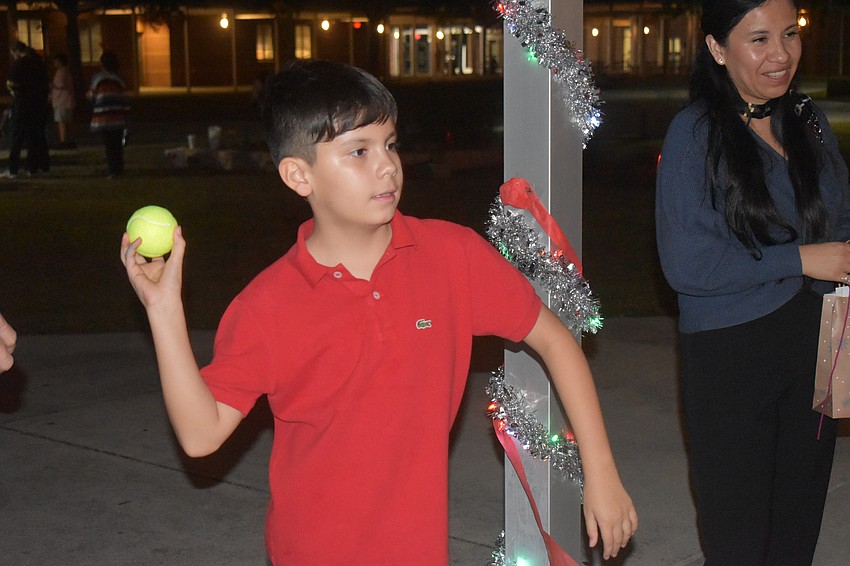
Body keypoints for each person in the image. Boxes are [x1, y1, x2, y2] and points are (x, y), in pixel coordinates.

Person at [121, 59, 637, 565]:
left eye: (390, 144)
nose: (387, 165)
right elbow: (200, 435)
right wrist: (164, 312)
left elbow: (554, 339)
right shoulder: (267, 306)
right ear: (299, 175)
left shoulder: (452, 257)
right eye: (358, 151)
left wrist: (602, 472)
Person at [656, 0, 850, 564]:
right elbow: (687, 265)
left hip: (815, 349)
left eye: (790, 34)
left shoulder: (807, 120)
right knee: (737, 537)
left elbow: (839, 218)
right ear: (718, 49)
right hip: (731, 355)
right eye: (759, 39)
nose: (781, 54)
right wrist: (801, 259)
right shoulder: (695, 133)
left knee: (797, 530)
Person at [2, 41, 50, 179]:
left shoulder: (19, 64)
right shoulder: (39, 63)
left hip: (22, 104)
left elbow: (11, 83)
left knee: (16, 136)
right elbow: (45, 83)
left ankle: (13, 169)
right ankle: (33, 167)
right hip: (38, 104)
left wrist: (14, 92)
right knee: (35, 135)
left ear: (16, 51)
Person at [88, 51, 129, 177]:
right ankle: (118, 168)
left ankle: (112, 170)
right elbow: (124, 97)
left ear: (102, 64)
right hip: (118, 115)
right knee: (117, 144)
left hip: (103, 116)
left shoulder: (97, 78)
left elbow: (92, 96)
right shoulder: (120, 78)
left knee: (109, 144)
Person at [50, 53, 76, 148]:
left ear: (59, 62)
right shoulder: (67, 71)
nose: (54, 63)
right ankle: (70, 140)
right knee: (68, 121)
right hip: (67, 100)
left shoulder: (61, 72)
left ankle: (63, 140)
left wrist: (51, 86)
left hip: (62, 101)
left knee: (62, 121)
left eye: (55, 61)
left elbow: (60, 85)